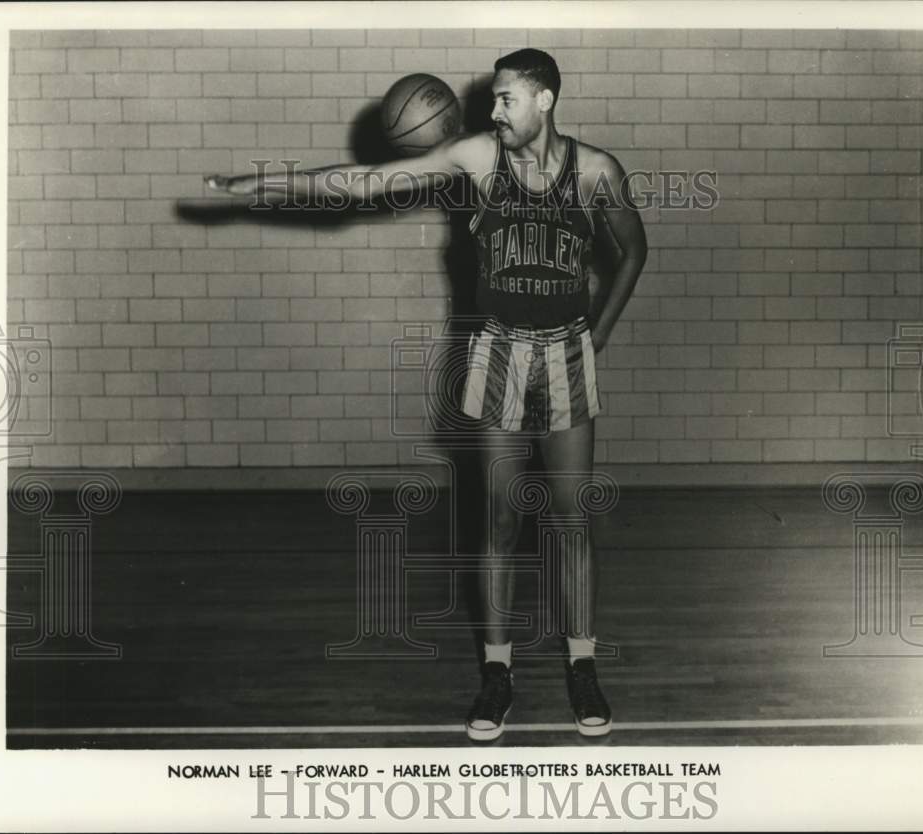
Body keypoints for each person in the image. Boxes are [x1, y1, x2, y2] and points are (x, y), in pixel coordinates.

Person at [205, 48, 648, 741]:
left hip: (565, 350)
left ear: (546, 101)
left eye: (508, 98)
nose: (494, 109)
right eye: (495, 98)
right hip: (499, 348)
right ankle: (497, 672)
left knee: (571, 521)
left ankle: (582, 663)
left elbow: (634, 249)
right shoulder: (476, 157)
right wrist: (273, 182)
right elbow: (365, 182)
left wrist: (601, 332)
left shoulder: (596, 170)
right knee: (499, 520)